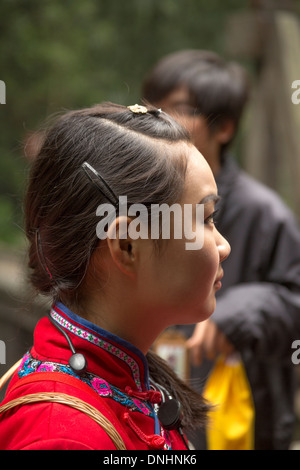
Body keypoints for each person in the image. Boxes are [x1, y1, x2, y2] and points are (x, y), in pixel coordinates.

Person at [0, 102, 230, 450]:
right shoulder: (60, 435)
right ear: (126, 245)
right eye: (206, 219)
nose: (223, 245)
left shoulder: (128, 383)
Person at [142, 49, 300, 450]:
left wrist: (242, 311)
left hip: (240, 420)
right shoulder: (140, 202)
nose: (160, 121)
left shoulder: (264, 214)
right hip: (155, 414)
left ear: (224, 127)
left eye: (178, 109)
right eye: (151, 107)